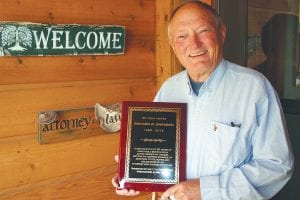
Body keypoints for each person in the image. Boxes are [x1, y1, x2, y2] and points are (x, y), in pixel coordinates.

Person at [112, 1, 294, 199]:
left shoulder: (254, 88)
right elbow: (154, 155)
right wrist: (133, 175)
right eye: (182, 36)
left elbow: (277, 165)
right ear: (173, 45)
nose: (194, 44)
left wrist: (206, 189)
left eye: (203, 30)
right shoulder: (169, 89)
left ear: (221, 33)